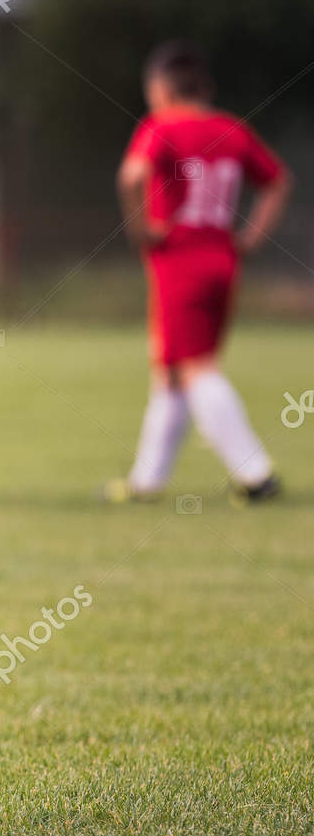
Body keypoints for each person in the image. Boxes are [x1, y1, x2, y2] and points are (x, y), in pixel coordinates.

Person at [105, 40, 291, 504]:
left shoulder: (162, 125)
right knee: (170, 371)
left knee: (195, 369)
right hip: (222, 258)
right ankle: (147, 482)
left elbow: (129, 178)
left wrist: (140, 230)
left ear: (161, 89)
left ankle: (257, 476)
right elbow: (278, 180)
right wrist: (252, 239)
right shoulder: (232, 129)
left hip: (179, 261)